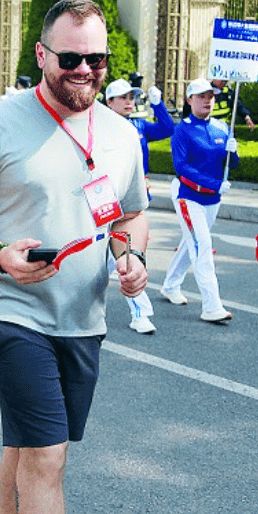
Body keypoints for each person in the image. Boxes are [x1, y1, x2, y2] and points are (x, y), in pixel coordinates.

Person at [0, 0, 148, 514]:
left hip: (83, 316)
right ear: (42, 54)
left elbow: (129, 215)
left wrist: (132, 258)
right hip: (9, 309)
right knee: (48, 455)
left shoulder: (122, 135)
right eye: (71, 58)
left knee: (27, 446)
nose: (84, 69)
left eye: (97, 59)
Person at [159, 77, 238, 323]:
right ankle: (211, 306)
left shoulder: (222, 127)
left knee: (191, 241)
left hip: (213, 199)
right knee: (201, 246)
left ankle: (170, 285)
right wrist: (214, 184)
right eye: (201, 97)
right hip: (189, 196)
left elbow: (230, 165)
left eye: (210, 97)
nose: (207, 101)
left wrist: (233, 152)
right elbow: (181, 167)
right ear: (189, 100)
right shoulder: (182, 130)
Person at [103, 77, 173, 333]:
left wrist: (158, 104)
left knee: (126, 257)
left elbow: (167, 129)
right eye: (123, 98)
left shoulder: (139, 126)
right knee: (106, 258)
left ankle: (140, 313)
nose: (129, 102)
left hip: (131, 203)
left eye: (131, 97)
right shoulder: (97, 128)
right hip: (102, 201)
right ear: (109, 102)